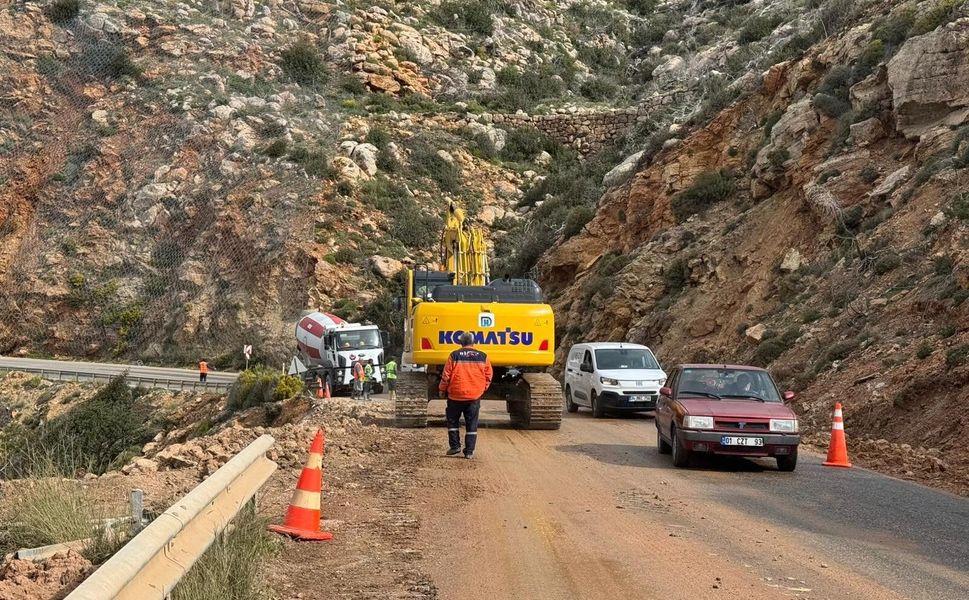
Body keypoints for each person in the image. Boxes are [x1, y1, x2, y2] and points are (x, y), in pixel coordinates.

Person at [439, 332, 492, 460]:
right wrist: (481, 389)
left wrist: (442, 390)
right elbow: (488, 376)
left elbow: (446, 376)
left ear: (460, 342)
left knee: (452, 421)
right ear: (473, 342)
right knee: (472, 424)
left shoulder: (454, 355)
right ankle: (469, 452)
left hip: (455, 396)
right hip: (474, 397)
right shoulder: (483, 356)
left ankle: (455, 446)